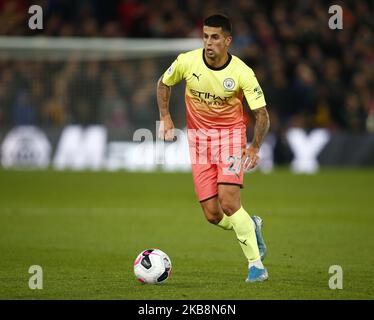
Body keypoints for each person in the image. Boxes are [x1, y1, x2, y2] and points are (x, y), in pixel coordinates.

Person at [156, 14, 270, 282]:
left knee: (230, 203)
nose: (209, 42)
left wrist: (254, 148)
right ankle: (250, 226)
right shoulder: (187, 61)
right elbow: (163, 83)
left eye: (215, 37)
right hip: (198, 142)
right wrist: (165, 116)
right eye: (206, 36)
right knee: (212, 214)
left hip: (230, 139)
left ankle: (256, 266)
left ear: (228, 41)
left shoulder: (242, 72)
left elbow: (262, 114)